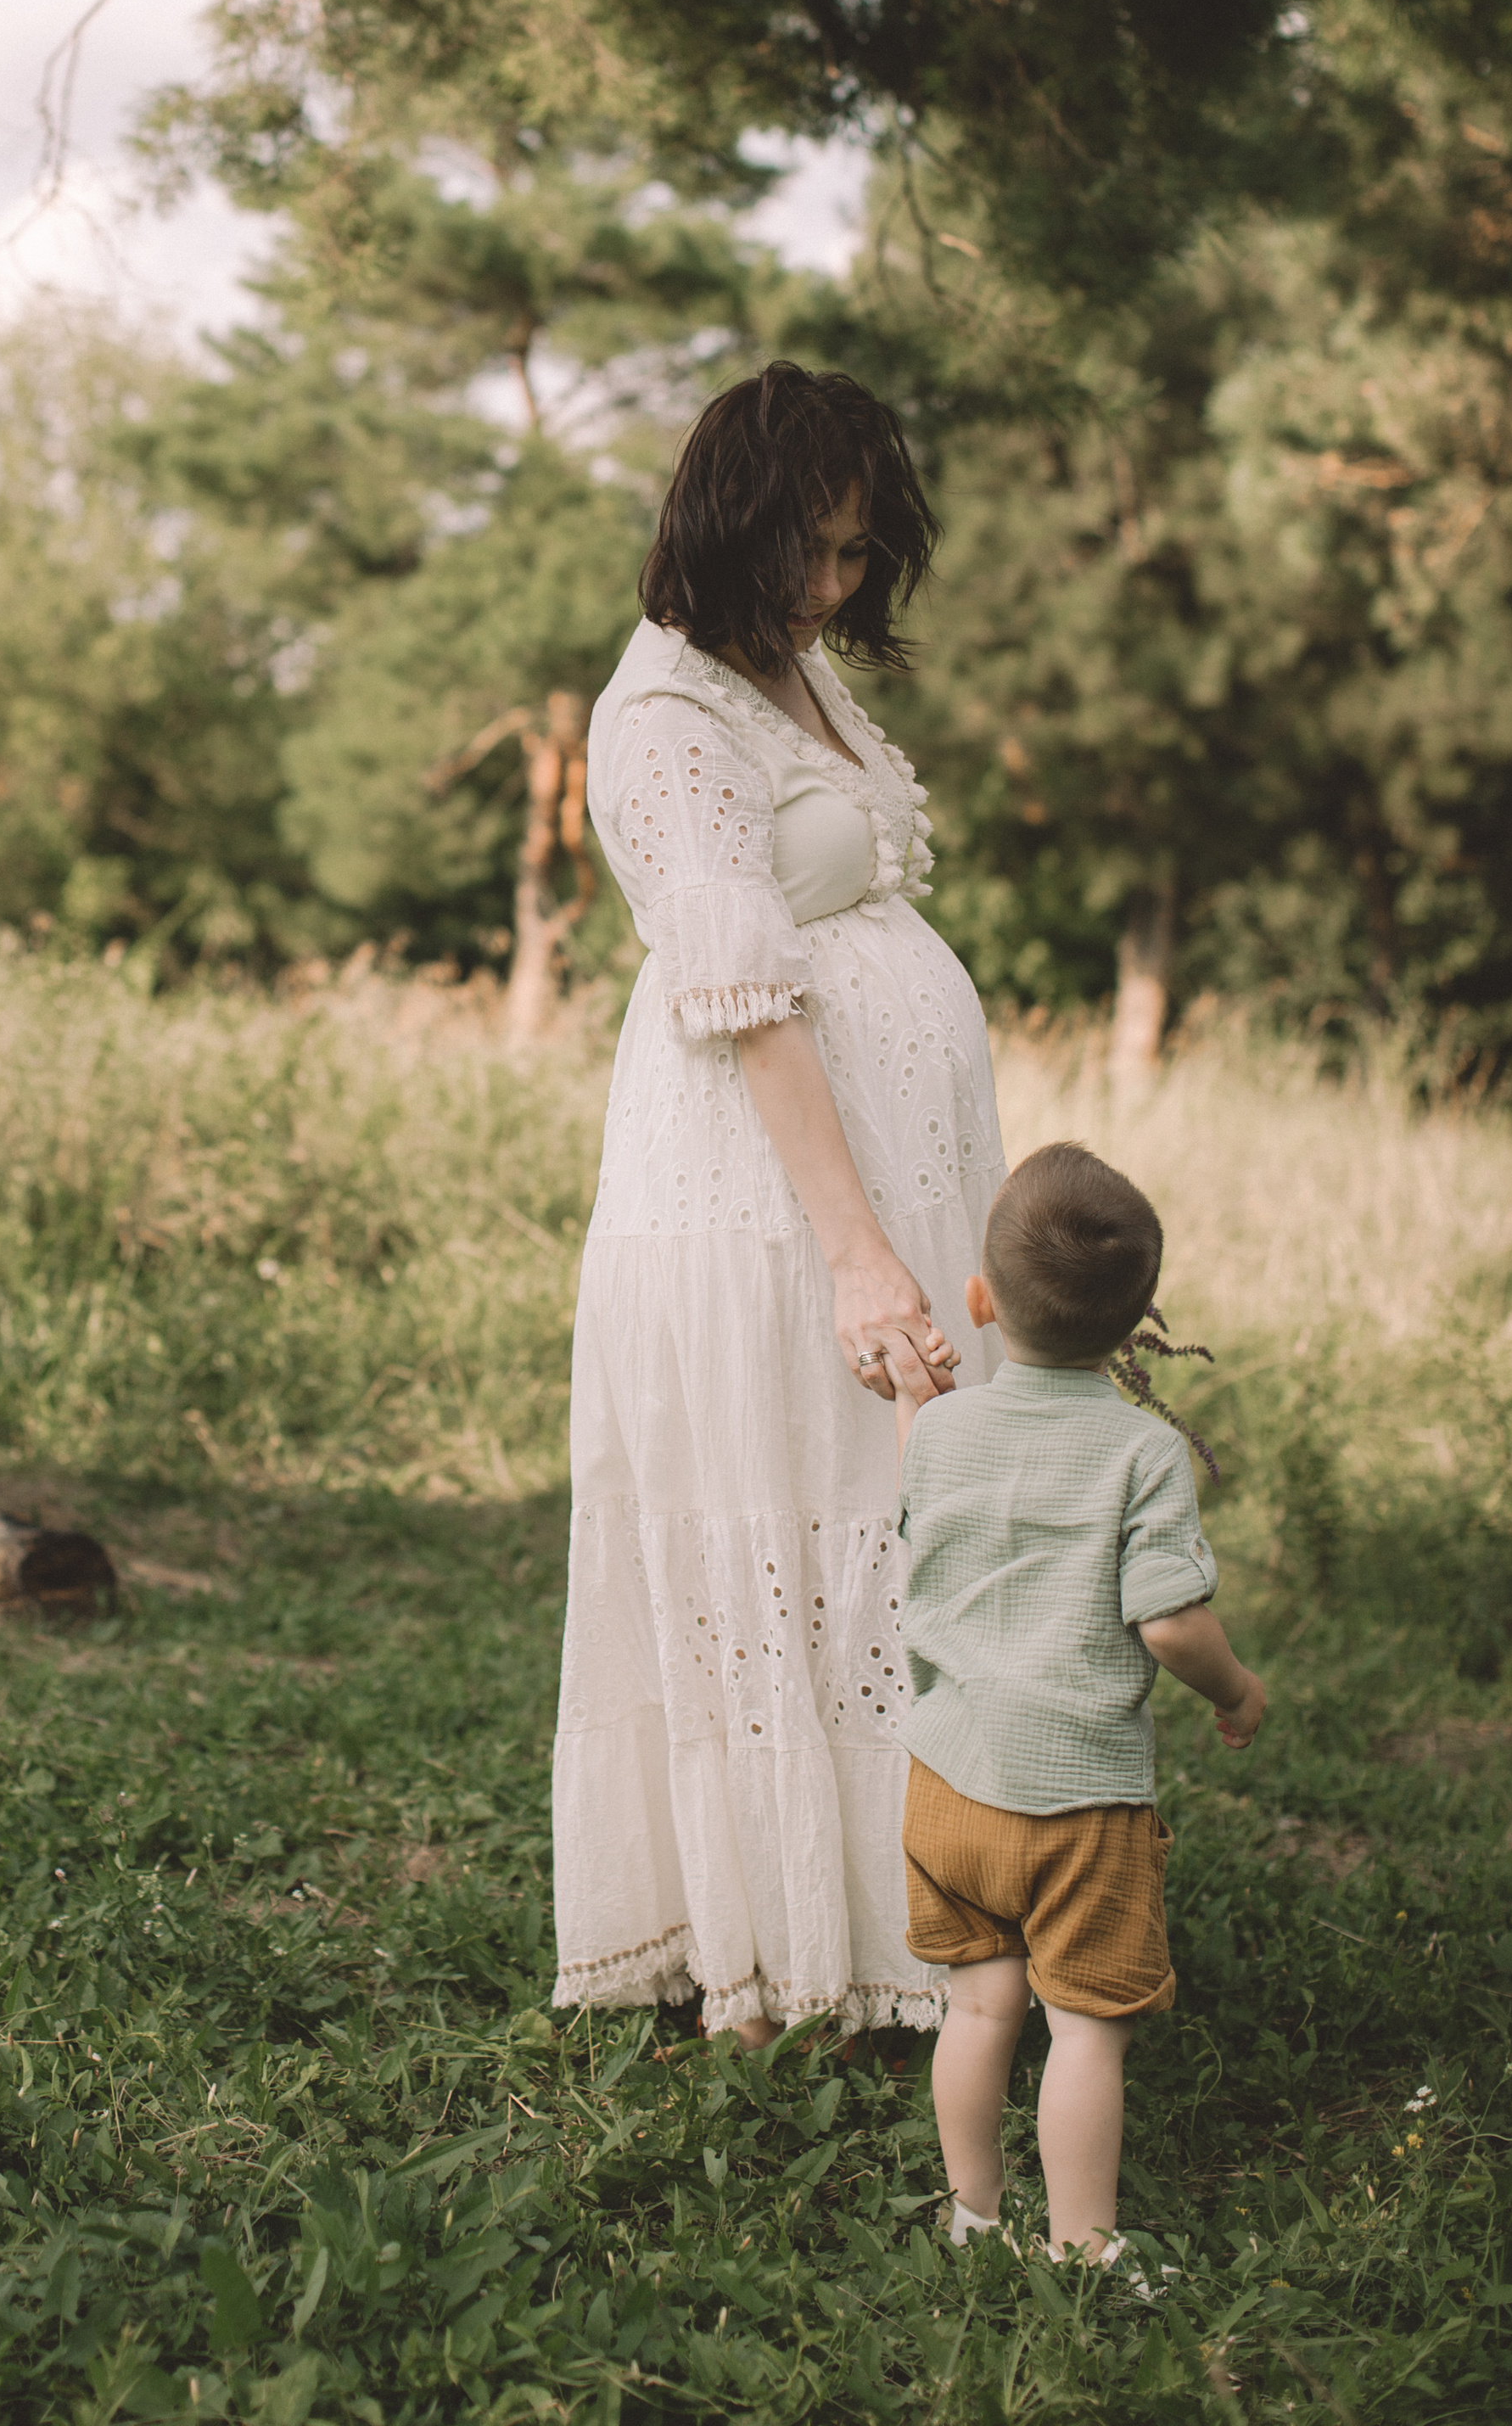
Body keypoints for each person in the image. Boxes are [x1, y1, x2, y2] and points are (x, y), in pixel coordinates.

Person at [551, 363, 1010, 2050]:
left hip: (875, 1188)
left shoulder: (794, 674)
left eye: (855, 554)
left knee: (886, 1541)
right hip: (759, 1205)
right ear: (729, 527)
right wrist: (858, 1258)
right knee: (790, 1522)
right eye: (811, 550)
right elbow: (740, 1000)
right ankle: (783, 1957)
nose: (832, 587)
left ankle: (907, 1924)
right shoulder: (664, 719)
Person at [893, 1140, 1268, 2266]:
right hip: (1080, 1805)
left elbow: (922, 1502)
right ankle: (1083, 2245)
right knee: (1085, 2038)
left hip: (947, 1783)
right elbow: (1168, 1621)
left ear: (980, 1300)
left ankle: (972, 2214)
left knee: (978, 2011)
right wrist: (1236, 1688)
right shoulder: (1144, 1451)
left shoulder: (944, 1429)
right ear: (1141, 1321)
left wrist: (917, 1401)